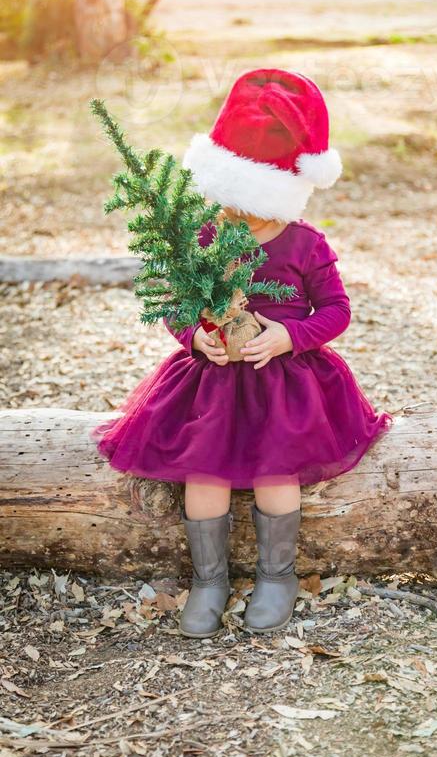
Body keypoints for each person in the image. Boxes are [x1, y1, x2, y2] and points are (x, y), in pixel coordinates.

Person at [92, 68, 392, 638]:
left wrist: (289, 335)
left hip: (286, 384)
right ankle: (211, 580)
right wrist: (194, 337)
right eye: (237, 201)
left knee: (278, 474)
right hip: (212, 381)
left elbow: (337, 310)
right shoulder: (205, 235)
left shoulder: (306, 243)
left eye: (259, 203)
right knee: (205, 476)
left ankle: (277, 576)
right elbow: (179, 305)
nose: (248, 216)